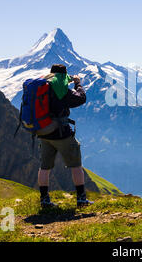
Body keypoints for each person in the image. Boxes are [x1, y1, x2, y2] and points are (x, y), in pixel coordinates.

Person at [37, 64, 93, 208]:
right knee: (75, 164)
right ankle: (81, 199)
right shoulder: (61, 89)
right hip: (62, 133)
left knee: (44, 167)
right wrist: (77, 83)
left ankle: (44, 200)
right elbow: (81, 98)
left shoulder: (42, 88)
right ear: (64, 75)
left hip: (44, 132)